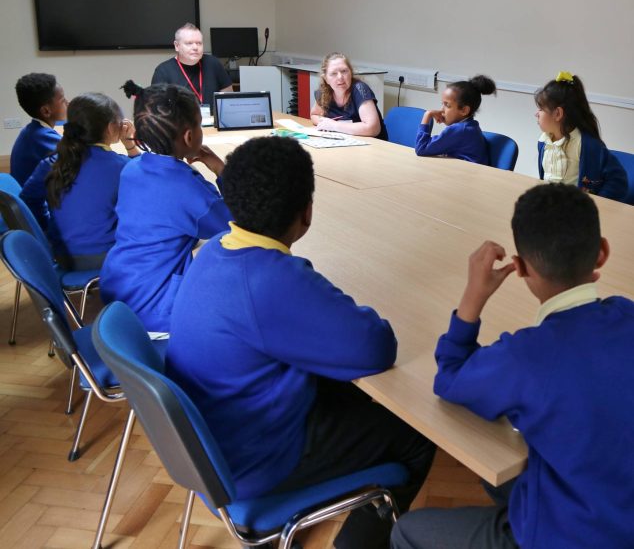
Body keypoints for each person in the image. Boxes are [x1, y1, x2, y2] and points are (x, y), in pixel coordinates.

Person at [166, 136, 436, 549]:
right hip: (256, 459)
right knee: (416, 436)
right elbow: (377, 346)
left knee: (346, 389)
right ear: (306, 212)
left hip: (214, 437)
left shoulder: (216, 250)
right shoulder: (271, 280)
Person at [391, 183, 634, 549]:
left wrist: (473, 296)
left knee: (406, 532)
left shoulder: (525, 355)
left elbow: (450, 378)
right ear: (602, 253)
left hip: (572, 536)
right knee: (499, 477)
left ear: (519, 268)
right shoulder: (626, 312)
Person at [100, 83, 231, 332]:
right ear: (189, 136)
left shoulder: (132, 168)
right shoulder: (185, 185)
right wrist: (220, 169)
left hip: (119, 285)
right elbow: (235, 224)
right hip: (155, 307)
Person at [19, 93, 140, 271]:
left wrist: (47, 227)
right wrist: (130, 144)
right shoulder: (120, 166)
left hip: (62, 257)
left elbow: (28, 199)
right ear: (110, 128)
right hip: (107, 258)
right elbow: (145, 180)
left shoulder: (51, 163)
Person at [535, 71, 627, 202]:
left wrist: (595, 204)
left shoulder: (588, 145)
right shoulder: (543, 142)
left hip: (574, 211)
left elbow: (618, 180)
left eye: (540, 109)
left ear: (558, 114)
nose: (536, 114)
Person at [414, 75, 496, 164]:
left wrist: (427, 115)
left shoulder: (460, 130)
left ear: (464, 110)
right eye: (442, 104)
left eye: (447, 105)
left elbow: (421, 148)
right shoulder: (471, 126)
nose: (441, 110)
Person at [310, 52, 388, 139]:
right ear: (326, 79)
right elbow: (314, 115)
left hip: (372, 143)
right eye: (334, 73)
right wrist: (325, 123)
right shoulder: (323, 92)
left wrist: (334, 125)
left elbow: (373, 128)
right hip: (343, 140)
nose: (340, 77)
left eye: (344, 71)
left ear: (351, 73)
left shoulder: (360, 89)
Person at [151, 23, 232, 105]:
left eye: (199, 43)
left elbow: (229, 99)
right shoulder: (163, 71)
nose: (195, 47)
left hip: (212, 113)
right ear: (177, 46)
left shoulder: (213, 63)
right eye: (189, 43)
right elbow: (157, 107)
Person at [10, 73, 68, 186]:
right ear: (46, 111)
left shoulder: (32, 130)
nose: (67, 102)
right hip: (38, 197)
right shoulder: (43, 137)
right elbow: (81, 160)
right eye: (62, 100)